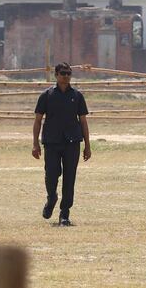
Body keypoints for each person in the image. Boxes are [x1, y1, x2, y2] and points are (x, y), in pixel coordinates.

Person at [32, 62, 91, 226]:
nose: (66, 76)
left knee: (69, 178)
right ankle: (51, 198)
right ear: (56, 75)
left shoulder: (77, 96)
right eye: (63, 73)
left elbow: (84, 122)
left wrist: (87, 145)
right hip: (52, 142)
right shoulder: (47, 95)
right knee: (51, 174)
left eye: (69, 73)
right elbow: (37, 120)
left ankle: (64, 214)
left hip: (72, 142)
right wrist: (35, 143)